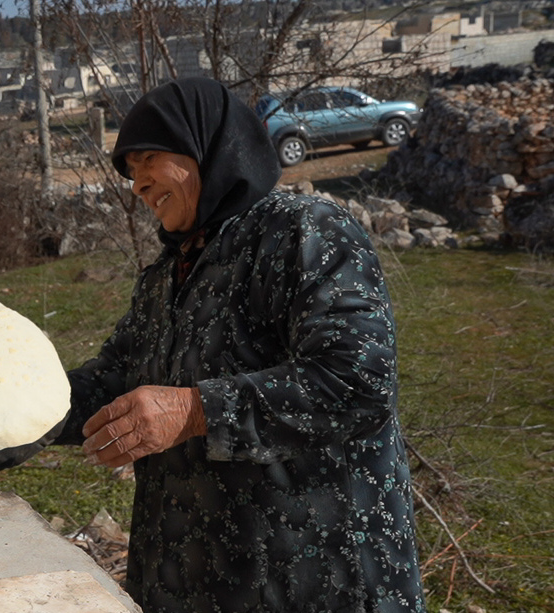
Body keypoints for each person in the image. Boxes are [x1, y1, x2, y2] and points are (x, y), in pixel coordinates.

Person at [53, 77, 425, 612]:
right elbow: (108, 382)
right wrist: (6, 420)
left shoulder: (301, 231)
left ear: (207, 147)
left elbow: (356, 380)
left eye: (149, 158)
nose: (137, 184)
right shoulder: (166, 278)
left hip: (316, 577)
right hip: (200, 583)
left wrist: (194, 409)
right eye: (130, 172)